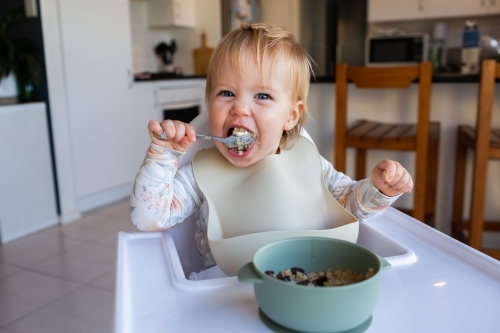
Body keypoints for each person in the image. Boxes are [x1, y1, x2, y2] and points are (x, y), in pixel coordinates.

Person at [130, 23, 413, 277]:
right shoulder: (200, 175)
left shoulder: (307, 162)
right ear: (209, 102)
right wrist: (164, 155)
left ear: (291, 115)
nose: (240, 107)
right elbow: (148, 218)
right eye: (226, 93)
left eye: (262, 96)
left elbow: (349, 204)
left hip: (309, 277)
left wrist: (380, 189)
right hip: (227, 289)